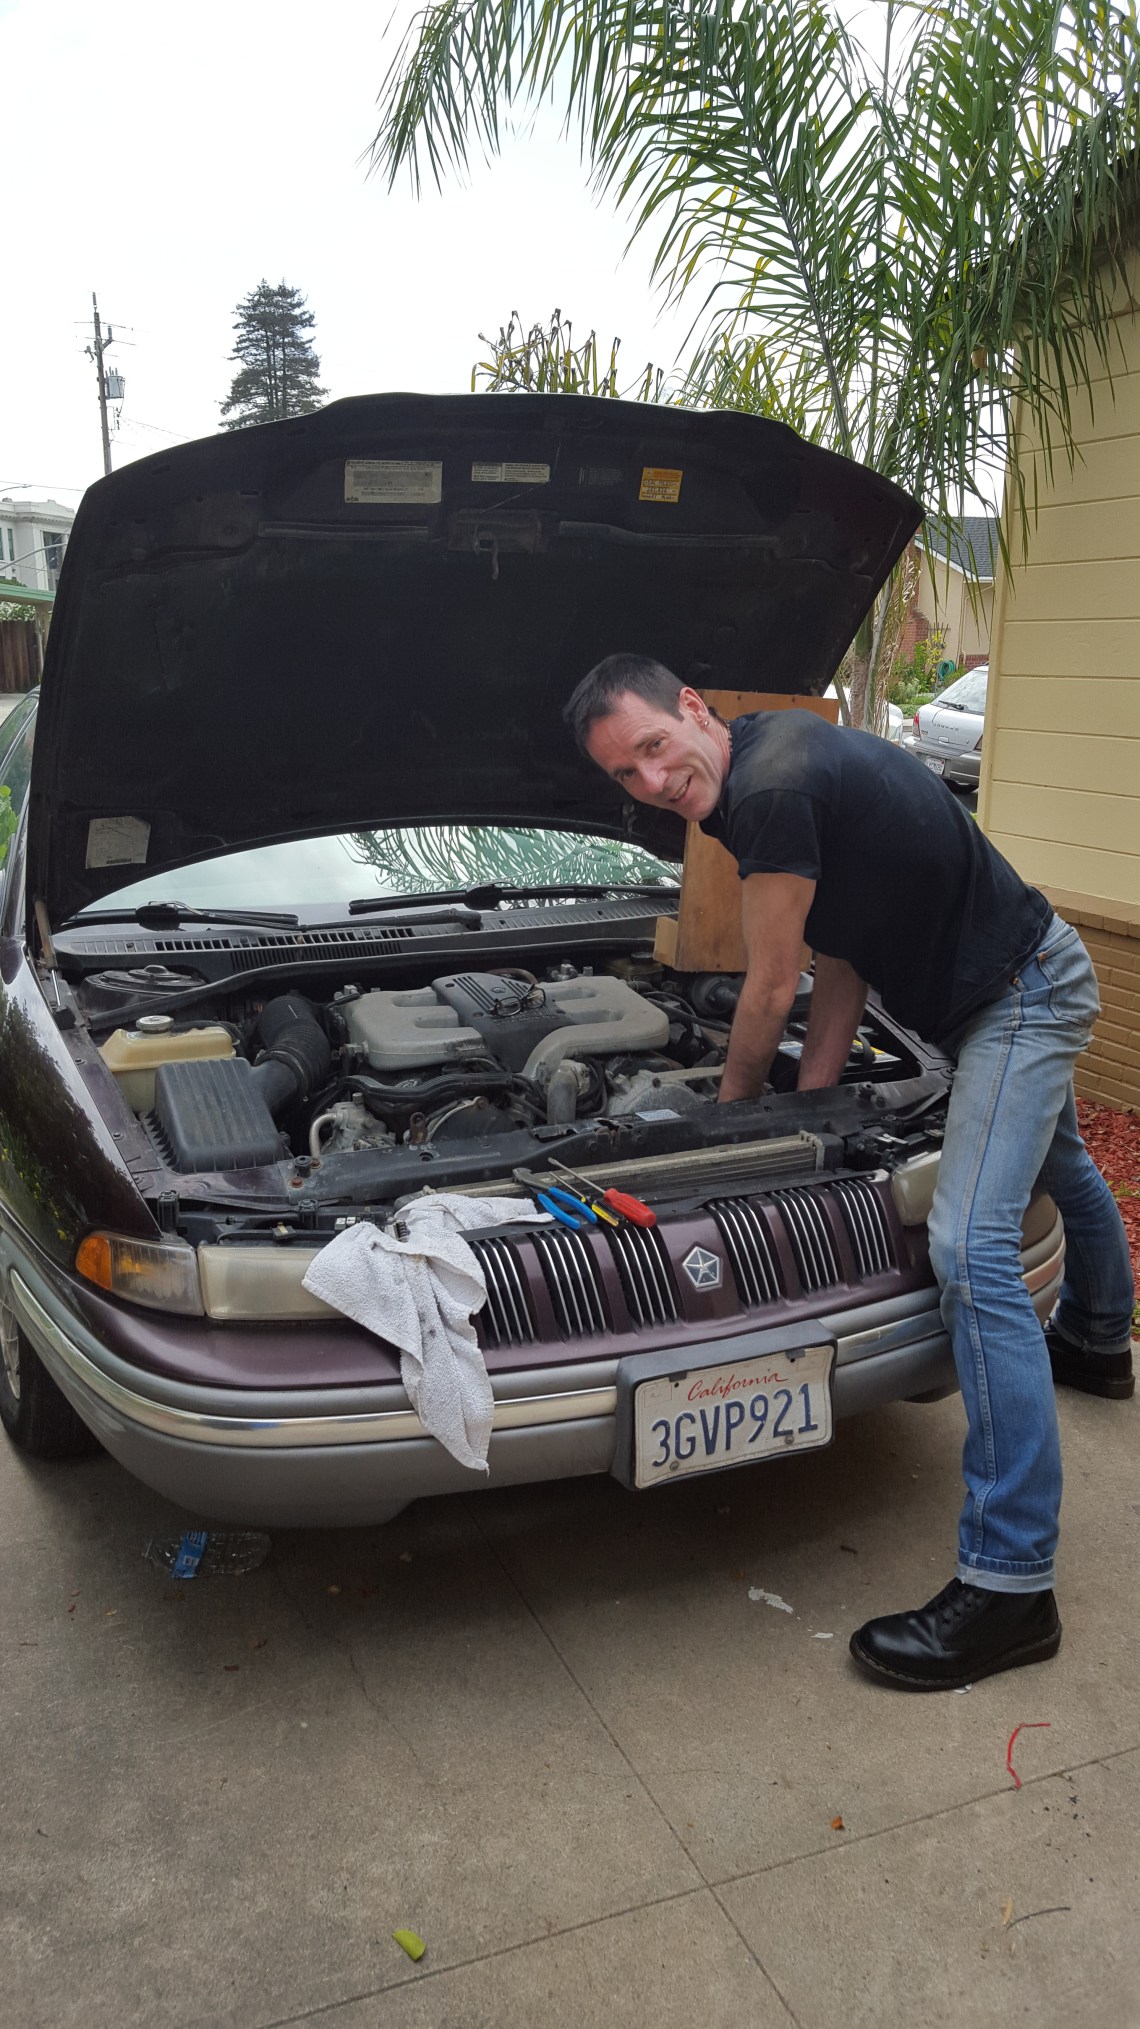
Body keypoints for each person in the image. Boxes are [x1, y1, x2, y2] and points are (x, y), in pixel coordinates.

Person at [564, 652, 1135, 1692]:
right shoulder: (763, 771)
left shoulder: (768, 790)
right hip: (996, 986)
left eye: (653, 747)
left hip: (1020, 994)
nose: (650, 782)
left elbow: (771, 983)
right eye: (625, 776)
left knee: (971, 1246)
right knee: (1059, 1156)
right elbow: (843, 955)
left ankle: (1011, 1586)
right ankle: (1100, 1338)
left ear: (694, 707)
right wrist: (812, 1106)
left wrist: (731, 1130)